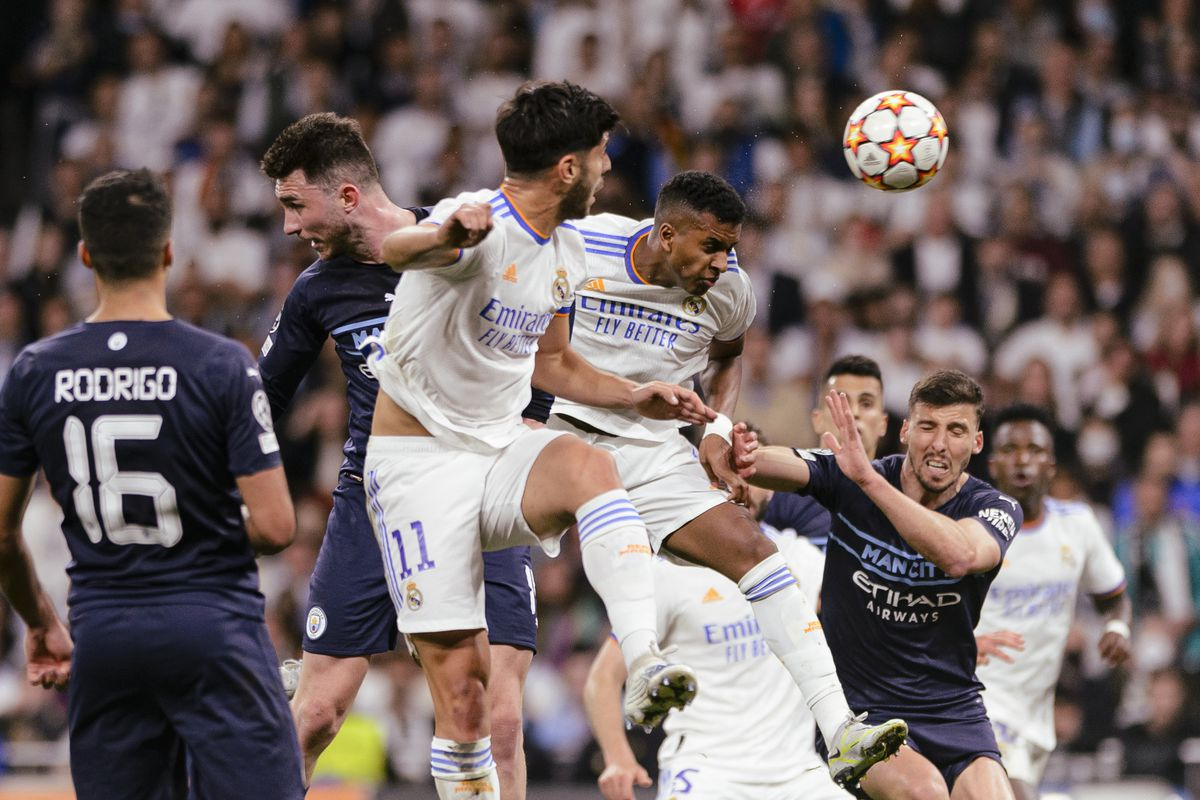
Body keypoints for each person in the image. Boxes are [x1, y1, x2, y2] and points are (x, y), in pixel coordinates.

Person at [367, 81, 713, 799]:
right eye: (600, 157)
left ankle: (644, 661)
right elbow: (398, 248)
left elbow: (553, 365)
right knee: (465, 702)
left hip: (496, 449)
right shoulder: (476, 224)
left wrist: (636, 396)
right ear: (567, 168)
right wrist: (441, 236)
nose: (606, 170)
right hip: (418, 468)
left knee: (590, 464)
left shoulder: (567, 251)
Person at [551, 171, 906, 790]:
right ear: (665, 234)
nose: (724, 261)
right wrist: (636, 395)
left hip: (655, 445)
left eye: (731, 246)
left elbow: (727, 357)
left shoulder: (732, 292)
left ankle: (841, 727)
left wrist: (716, 427)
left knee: (757, 552)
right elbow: (546, 359)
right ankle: (641, 664)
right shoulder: (581, 247)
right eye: (711, 246)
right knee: (600, 486)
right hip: (564, 430)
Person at [258, 112, 544, 796]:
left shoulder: (465, 244)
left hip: (481, 488)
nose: (291, 227)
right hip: (375, 494)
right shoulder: (317, 290)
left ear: (348, 196)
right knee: (317, 714)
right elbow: (255, 398)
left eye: (297, 205)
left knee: (496, 718)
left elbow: (539, 347)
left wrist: (537, 426)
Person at [0, 169, 303, 798]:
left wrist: (39, 622)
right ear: (168, 252)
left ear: (85, 257)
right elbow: (275, 527)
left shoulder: (34, 371)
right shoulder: (220, 364)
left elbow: (0, 535)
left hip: (104, 635)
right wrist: (197, 533)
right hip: (213, 628)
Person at [733, 369, 1023, 800]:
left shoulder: (995, 507)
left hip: (953, 709)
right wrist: (737, 449)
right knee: (926, 793)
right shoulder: (848, 478)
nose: (940, 443)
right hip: (860, 712)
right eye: (928, 426)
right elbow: (765, 463)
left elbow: (961, 555)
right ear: (906, 431)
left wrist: (867, 482)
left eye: (956, 430)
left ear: (976, 443)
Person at [583, 479, 852, 800]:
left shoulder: (800, 558)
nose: (739, 488)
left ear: (769, 487)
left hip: (798, 773)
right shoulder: (666, 574)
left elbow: (864, 616)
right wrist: (617, 757)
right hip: (707, 771)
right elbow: (603, 678)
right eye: (723, 480)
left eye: (750, 477)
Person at [975, 403, 1132, 800]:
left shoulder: (1076, 525)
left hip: (1036, 713)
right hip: (978, 701)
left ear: (1051, 464)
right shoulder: (970, 532)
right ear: (993, 464)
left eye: (1035, 449)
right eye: (1011, 449)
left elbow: (1114, 598)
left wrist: (1117, 626)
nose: (1023, 459)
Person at [762, 355, 889, 545]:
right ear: (817, 419)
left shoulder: (900, 498)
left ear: (883, 424)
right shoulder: (782, 491)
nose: (852, 413)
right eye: (839, 402)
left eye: (866, 403)